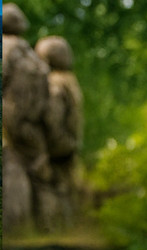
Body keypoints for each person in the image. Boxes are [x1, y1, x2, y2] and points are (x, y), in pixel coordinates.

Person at [2, 2, 50, 232]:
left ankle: (15, 228)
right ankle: (41, 225)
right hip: (33, 122)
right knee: (37, 169)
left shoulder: (5, 47)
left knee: (12, 167)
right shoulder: (30, 52)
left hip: (9, 119)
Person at [35, 34, 84, 227]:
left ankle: (51, 229)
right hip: (70, 143)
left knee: (48, 186)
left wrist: (45, 145)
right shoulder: (70, 80)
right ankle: (68, 225)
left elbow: (53, 117)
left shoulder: (54, 82)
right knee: (67, 190)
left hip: (57, 145)